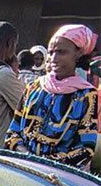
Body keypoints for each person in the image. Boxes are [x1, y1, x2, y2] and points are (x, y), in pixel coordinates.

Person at [6, 25, 99, 169]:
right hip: (22, 167)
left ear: (78, 53)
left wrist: (46, 164)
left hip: (59, 177)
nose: (53, 59)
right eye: (51, 52)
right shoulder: (34, 87)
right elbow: (13, 131)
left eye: (61, 52)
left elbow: (85, 149)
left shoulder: (86, 95)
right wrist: (25, 155)